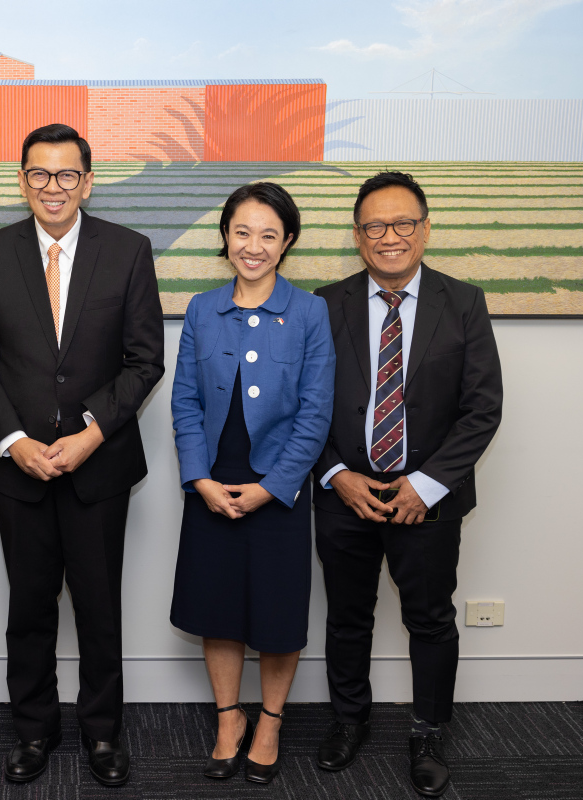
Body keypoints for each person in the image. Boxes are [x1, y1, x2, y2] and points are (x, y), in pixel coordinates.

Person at [0, 124, 164, 786]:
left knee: (100, 610)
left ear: (88, 181)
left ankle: (102, 735)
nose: (52, 187)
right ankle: (32, 732)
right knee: (29, 610)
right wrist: (14, 442)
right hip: (20, 472)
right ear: (21, 181)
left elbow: (144, 359)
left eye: (66, 175)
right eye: (39, 175)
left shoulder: (127, 251)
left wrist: (91, 431)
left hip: (97, 468)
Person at [312, 172, 503, 798]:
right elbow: (304, 405)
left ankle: (428, 732)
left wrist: (427, 485)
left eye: (402, 224)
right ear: (358, 235)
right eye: (374, 226)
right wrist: (337, 476)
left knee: (430, 618)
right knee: (347, 618)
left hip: (429, 499)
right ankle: (349, 720)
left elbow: (482, 408)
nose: (388, 237)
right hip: (347, 492)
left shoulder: (465, 302)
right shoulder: (326, 304)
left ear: (425, 228)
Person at [169, 183, 335, 784]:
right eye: (242, 232)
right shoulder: (201, 309)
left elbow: (317, 412)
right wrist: (199, 478)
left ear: (287, 241)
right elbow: (185, 402)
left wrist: (274, 486)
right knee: (219, 609)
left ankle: (269, 721)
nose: (254, 246)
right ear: (225, 237)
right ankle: (228, 718)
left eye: (268, 234)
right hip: (213, 482)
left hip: (280, 488)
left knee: (276, 611)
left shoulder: (311, 312)